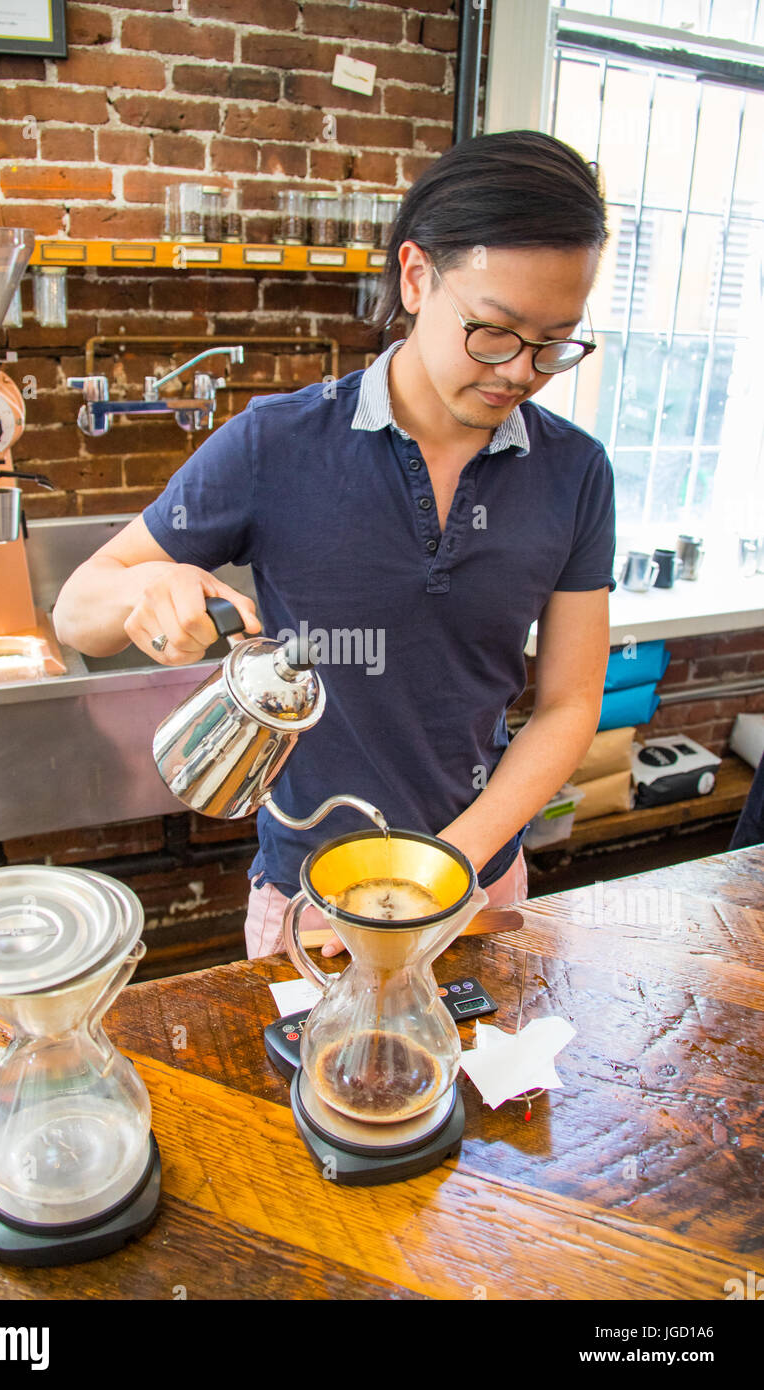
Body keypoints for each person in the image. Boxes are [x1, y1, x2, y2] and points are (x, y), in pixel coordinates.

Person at [53, 130, 617, 960]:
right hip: (313, 898)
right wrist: (144, 589)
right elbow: (76, 612)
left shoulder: (576, 472)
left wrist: (441, 871)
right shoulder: (276, 444)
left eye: (555, 343)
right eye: (494, 332)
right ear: (418, 276)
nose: (521, 373)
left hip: (480, 886)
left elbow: (568, 703)